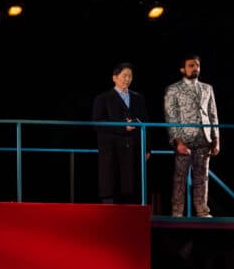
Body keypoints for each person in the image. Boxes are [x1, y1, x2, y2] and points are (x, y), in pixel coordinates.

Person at [163, 54, 220, 217]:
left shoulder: (207, 88)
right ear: (183, 69)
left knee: (202, 176)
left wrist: (216, 139)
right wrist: (177, 140)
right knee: (180, 177)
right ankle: (177, 211)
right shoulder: (173, 89)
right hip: (184, 139)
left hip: (204, 137)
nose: (195, 68)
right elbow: (171, 116)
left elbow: (212, 114)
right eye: (191, 65)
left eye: (197, 65)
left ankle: (202, 209)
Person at [92, 62, 149, 204]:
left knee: (133, 189)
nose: (127, 79)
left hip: (133, 150)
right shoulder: (103, 99)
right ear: (114, 78)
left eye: (130, 76)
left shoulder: (138, 98)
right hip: (112, 150)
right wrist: (122, 127)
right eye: (124, 76)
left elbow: (146, 123)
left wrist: (147, 148)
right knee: (112, 187)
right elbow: (98, 123)